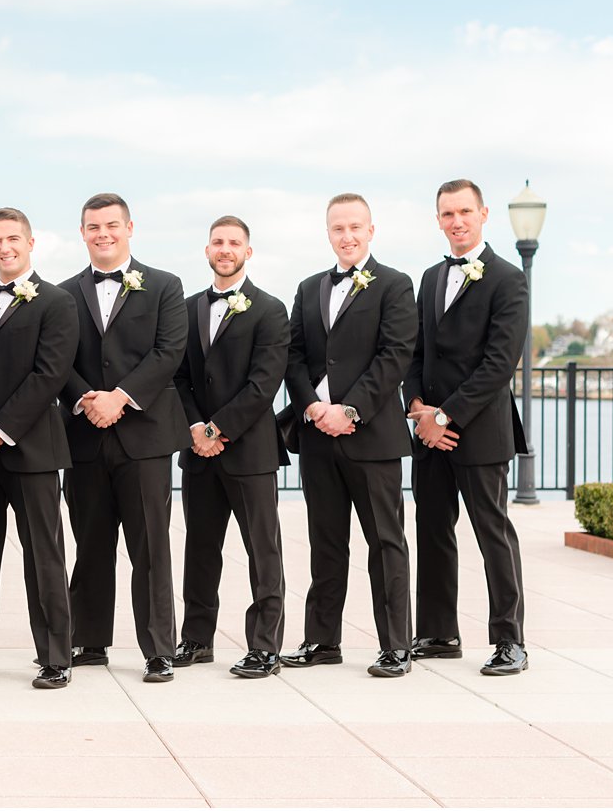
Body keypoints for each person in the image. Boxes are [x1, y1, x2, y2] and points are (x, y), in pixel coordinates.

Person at [281, 193, 417, 678]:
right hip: (318, 435)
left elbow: (395, 355)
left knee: (386, 542)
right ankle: (321, 642)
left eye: (356, 226)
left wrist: (352, 409)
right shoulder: (308, 287)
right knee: (326, 543)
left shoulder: (396, 285)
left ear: (371, 230)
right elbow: (293, 356)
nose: (348, 236)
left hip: (372, 438)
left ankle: (396, 646)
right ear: (328, 233)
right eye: (339, 228)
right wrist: (315, 407)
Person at [58, 192, 187, 683]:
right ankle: (88, 641)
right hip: (84, 435)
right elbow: (58, 359)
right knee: (90, 543)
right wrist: (88, 398)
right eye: (93, 226)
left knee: (150, 546)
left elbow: (168, 351)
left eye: (111, 225)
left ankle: (158, 649)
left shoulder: (165, 286)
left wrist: (121, 397)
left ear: (129, 228)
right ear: (83, 232)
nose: (103, 234)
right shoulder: (64, 293)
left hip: (145, 436)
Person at [404, 179, 530, 675]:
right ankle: (438, 633)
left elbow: (499, 365)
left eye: (464, 212)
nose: (456, 221)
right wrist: (416, 409)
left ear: (483, 214)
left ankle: (510, 641)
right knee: (433, 531)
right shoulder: (431, 278)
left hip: (478, 431)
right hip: (428, 433)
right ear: (438, 220)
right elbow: (415, 353)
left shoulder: (508, 279)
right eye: (447, 213)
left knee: (492, 533)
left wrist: (444, 415)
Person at [0, 208, 78, 688]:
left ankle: (55, 656)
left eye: (12, 239)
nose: (4, 247)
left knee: (43, 553)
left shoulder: (57, 302)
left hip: (31, 449)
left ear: (30, 243)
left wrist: (0, 429)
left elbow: (50, 375)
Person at [173, 216, 290, 679]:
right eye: (218, 242)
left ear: (248, 251)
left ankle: (265, 646)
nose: (225, 249)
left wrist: (218, 429)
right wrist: (195, 427)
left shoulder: (271, 310)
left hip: (249, 451)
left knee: (263, 550)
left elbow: (264, 384)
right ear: (207, 251)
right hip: (197, 452)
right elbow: (177, 379)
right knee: (200, 548)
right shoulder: (185, 309)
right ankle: (197, 639)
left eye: (234, 242)